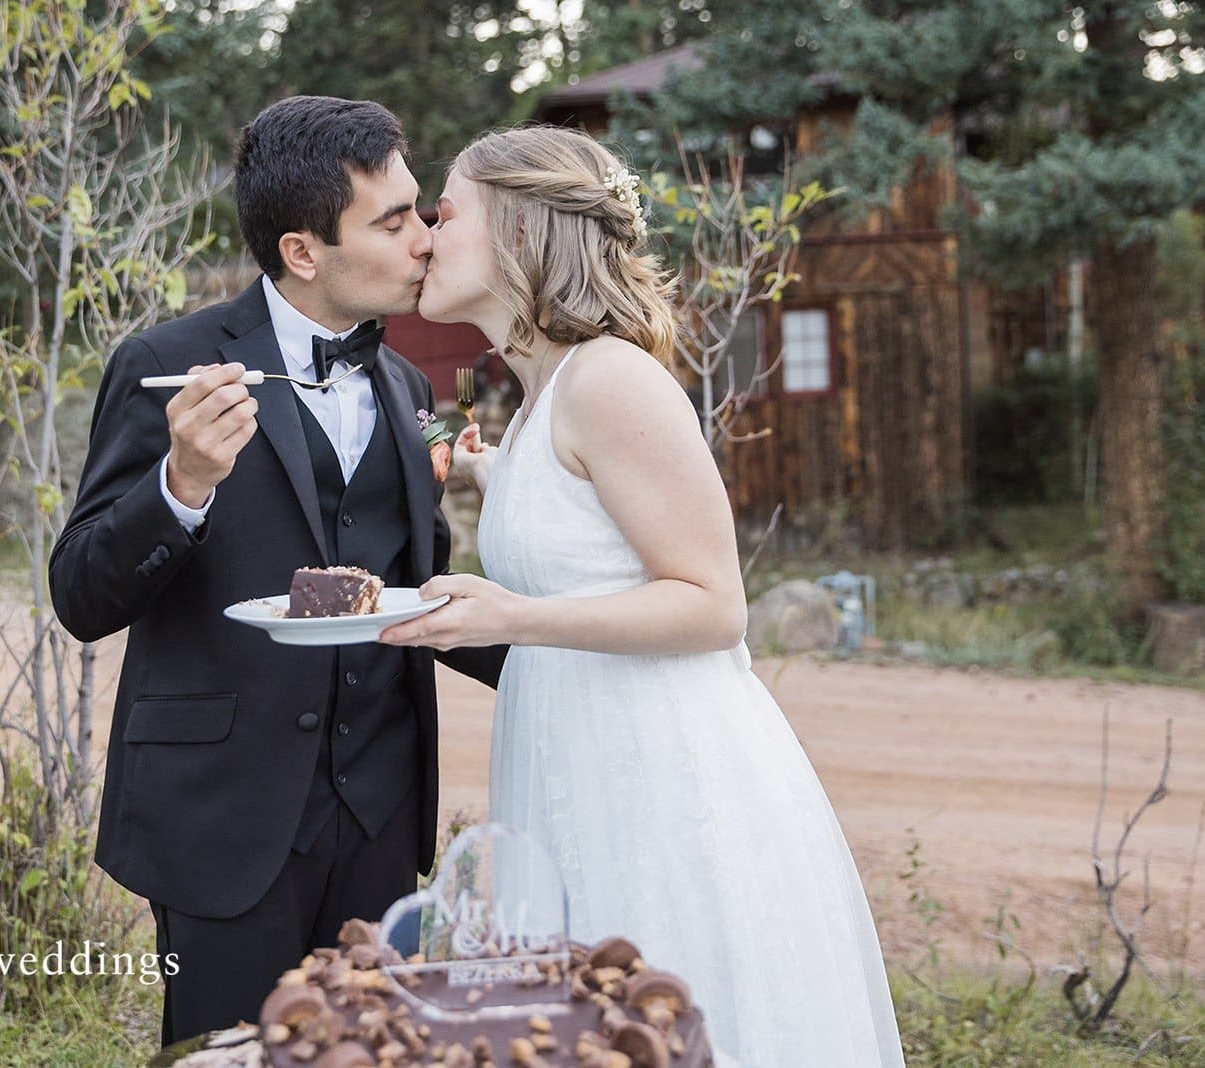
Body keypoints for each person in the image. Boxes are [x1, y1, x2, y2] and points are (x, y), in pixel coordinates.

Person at [378, 126, 905, 1067]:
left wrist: (512, 616)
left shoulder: (611, 377)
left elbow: (713, 605)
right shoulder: (541, 394)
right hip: (570, 756)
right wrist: (504, 480)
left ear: (520, 233)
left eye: (444, 212)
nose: (422, 234)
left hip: (657, 773)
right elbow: (594, 540)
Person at [49, 96, 504, 1045]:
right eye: (393, 220)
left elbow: (422, 586)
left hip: (379, 814)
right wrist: (180, 486)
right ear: (303, 251)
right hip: (222, 815)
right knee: (225, 1057)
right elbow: (80, 594)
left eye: (419, 210)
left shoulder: (407, 385)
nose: (425, 238)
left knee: (366, 1055)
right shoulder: (167, 366)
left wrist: (584, 645)